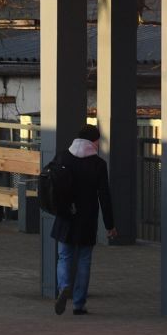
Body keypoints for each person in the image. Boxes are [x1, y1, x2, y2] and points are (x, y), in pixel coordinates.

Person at [50, 123, 117, 316]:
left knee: (64, 256)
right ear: (93, 141)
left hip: (65, 215)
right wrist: (110, 224)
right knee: (84, 260)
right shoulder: (98, 164)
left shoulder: (63, 157)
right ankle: (79, 304)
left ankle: (63, 286)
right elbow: (104, 196)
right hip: (87, 217)